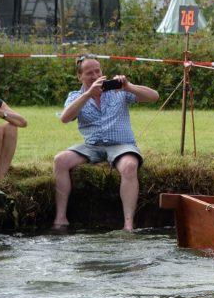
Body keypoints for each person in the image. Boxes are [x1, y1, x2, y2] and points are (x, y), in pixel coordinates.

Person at [52, 55, 159, 232]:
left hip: (121, 145)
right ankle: (60, 218)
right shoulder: (76, 96)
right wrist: (88, 94)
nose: (95, 76)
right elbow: (65, 118)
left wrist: (128, 86)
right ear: (80, 77)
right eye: (89, 73)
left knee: (130, 166)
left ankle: (128, 225)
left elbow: (154, 97)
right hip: (92, 146)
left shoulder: (118, 90)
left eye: (97, 71)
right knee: (60, 160)